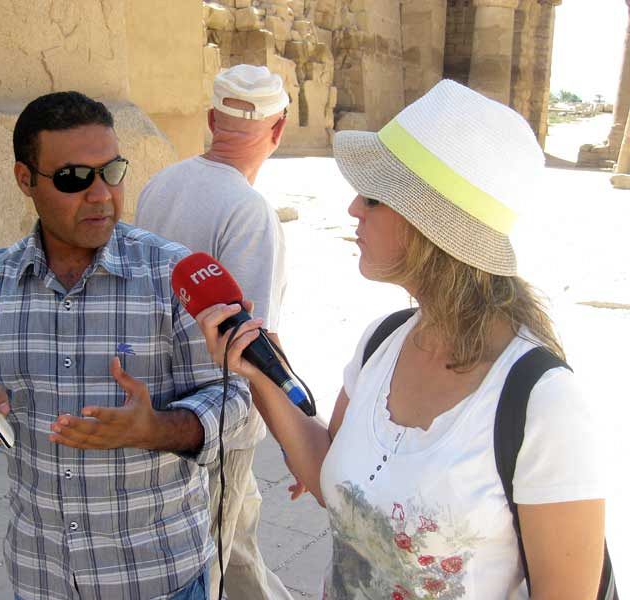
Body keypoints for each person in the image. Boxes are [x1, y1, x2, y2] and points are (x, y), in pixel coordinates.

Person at [194, 80, 606, 599]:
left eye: (372, 196)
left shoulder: (543, 402)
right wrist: (255, 375)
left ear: (426, 226)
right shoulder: (381, 342)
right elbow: (328, 473)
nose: (352, 210)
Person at [0, 91, 251, 600]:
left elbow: (234, 395)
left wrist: (158, 428)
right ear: (26, 180)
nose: (102, 194)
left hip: (158, 580)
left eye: (112, 171)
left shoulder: (171, 275)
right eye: (74, 179)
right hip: (41, 577)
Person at [135, 64, 293, 600]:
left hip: (160, 405)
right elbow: (251, 349)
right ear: (278, 131)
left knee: (238, 526)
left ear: (210, 120)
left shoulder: (160, 184)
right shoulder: (249, 211)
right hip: (213, 421)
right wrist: (299, 444)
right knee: (210, 556)